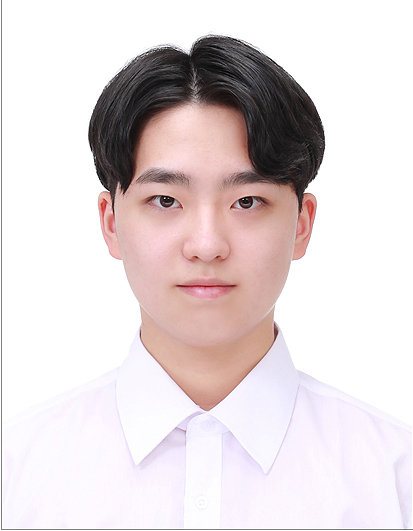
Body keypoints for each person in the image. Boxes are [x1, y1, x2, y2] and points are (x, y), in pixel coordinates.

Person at [3, 35, 411, 529]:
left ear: (302, 225)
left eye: (247, 202)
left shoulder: (394, 478)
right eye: (165, 201)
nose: (206, 245)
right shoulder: (18, 473)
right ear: (110, 222)